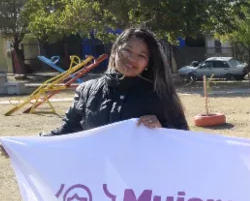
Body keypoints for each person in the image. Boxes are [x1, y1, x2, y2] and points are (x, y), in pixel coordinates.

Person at [47, 27, 187, 135]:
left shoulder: (159, 95)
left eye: (141, 55)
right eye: (127, 50)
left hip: (140, 171)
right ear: (114, 51)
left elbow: (183, 139)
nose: (132, 58)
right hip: (98, 170)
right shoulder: (86, 91)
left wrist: (161, 130)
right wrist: (29, 145)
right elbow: (67, 131)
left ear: (147, 64)